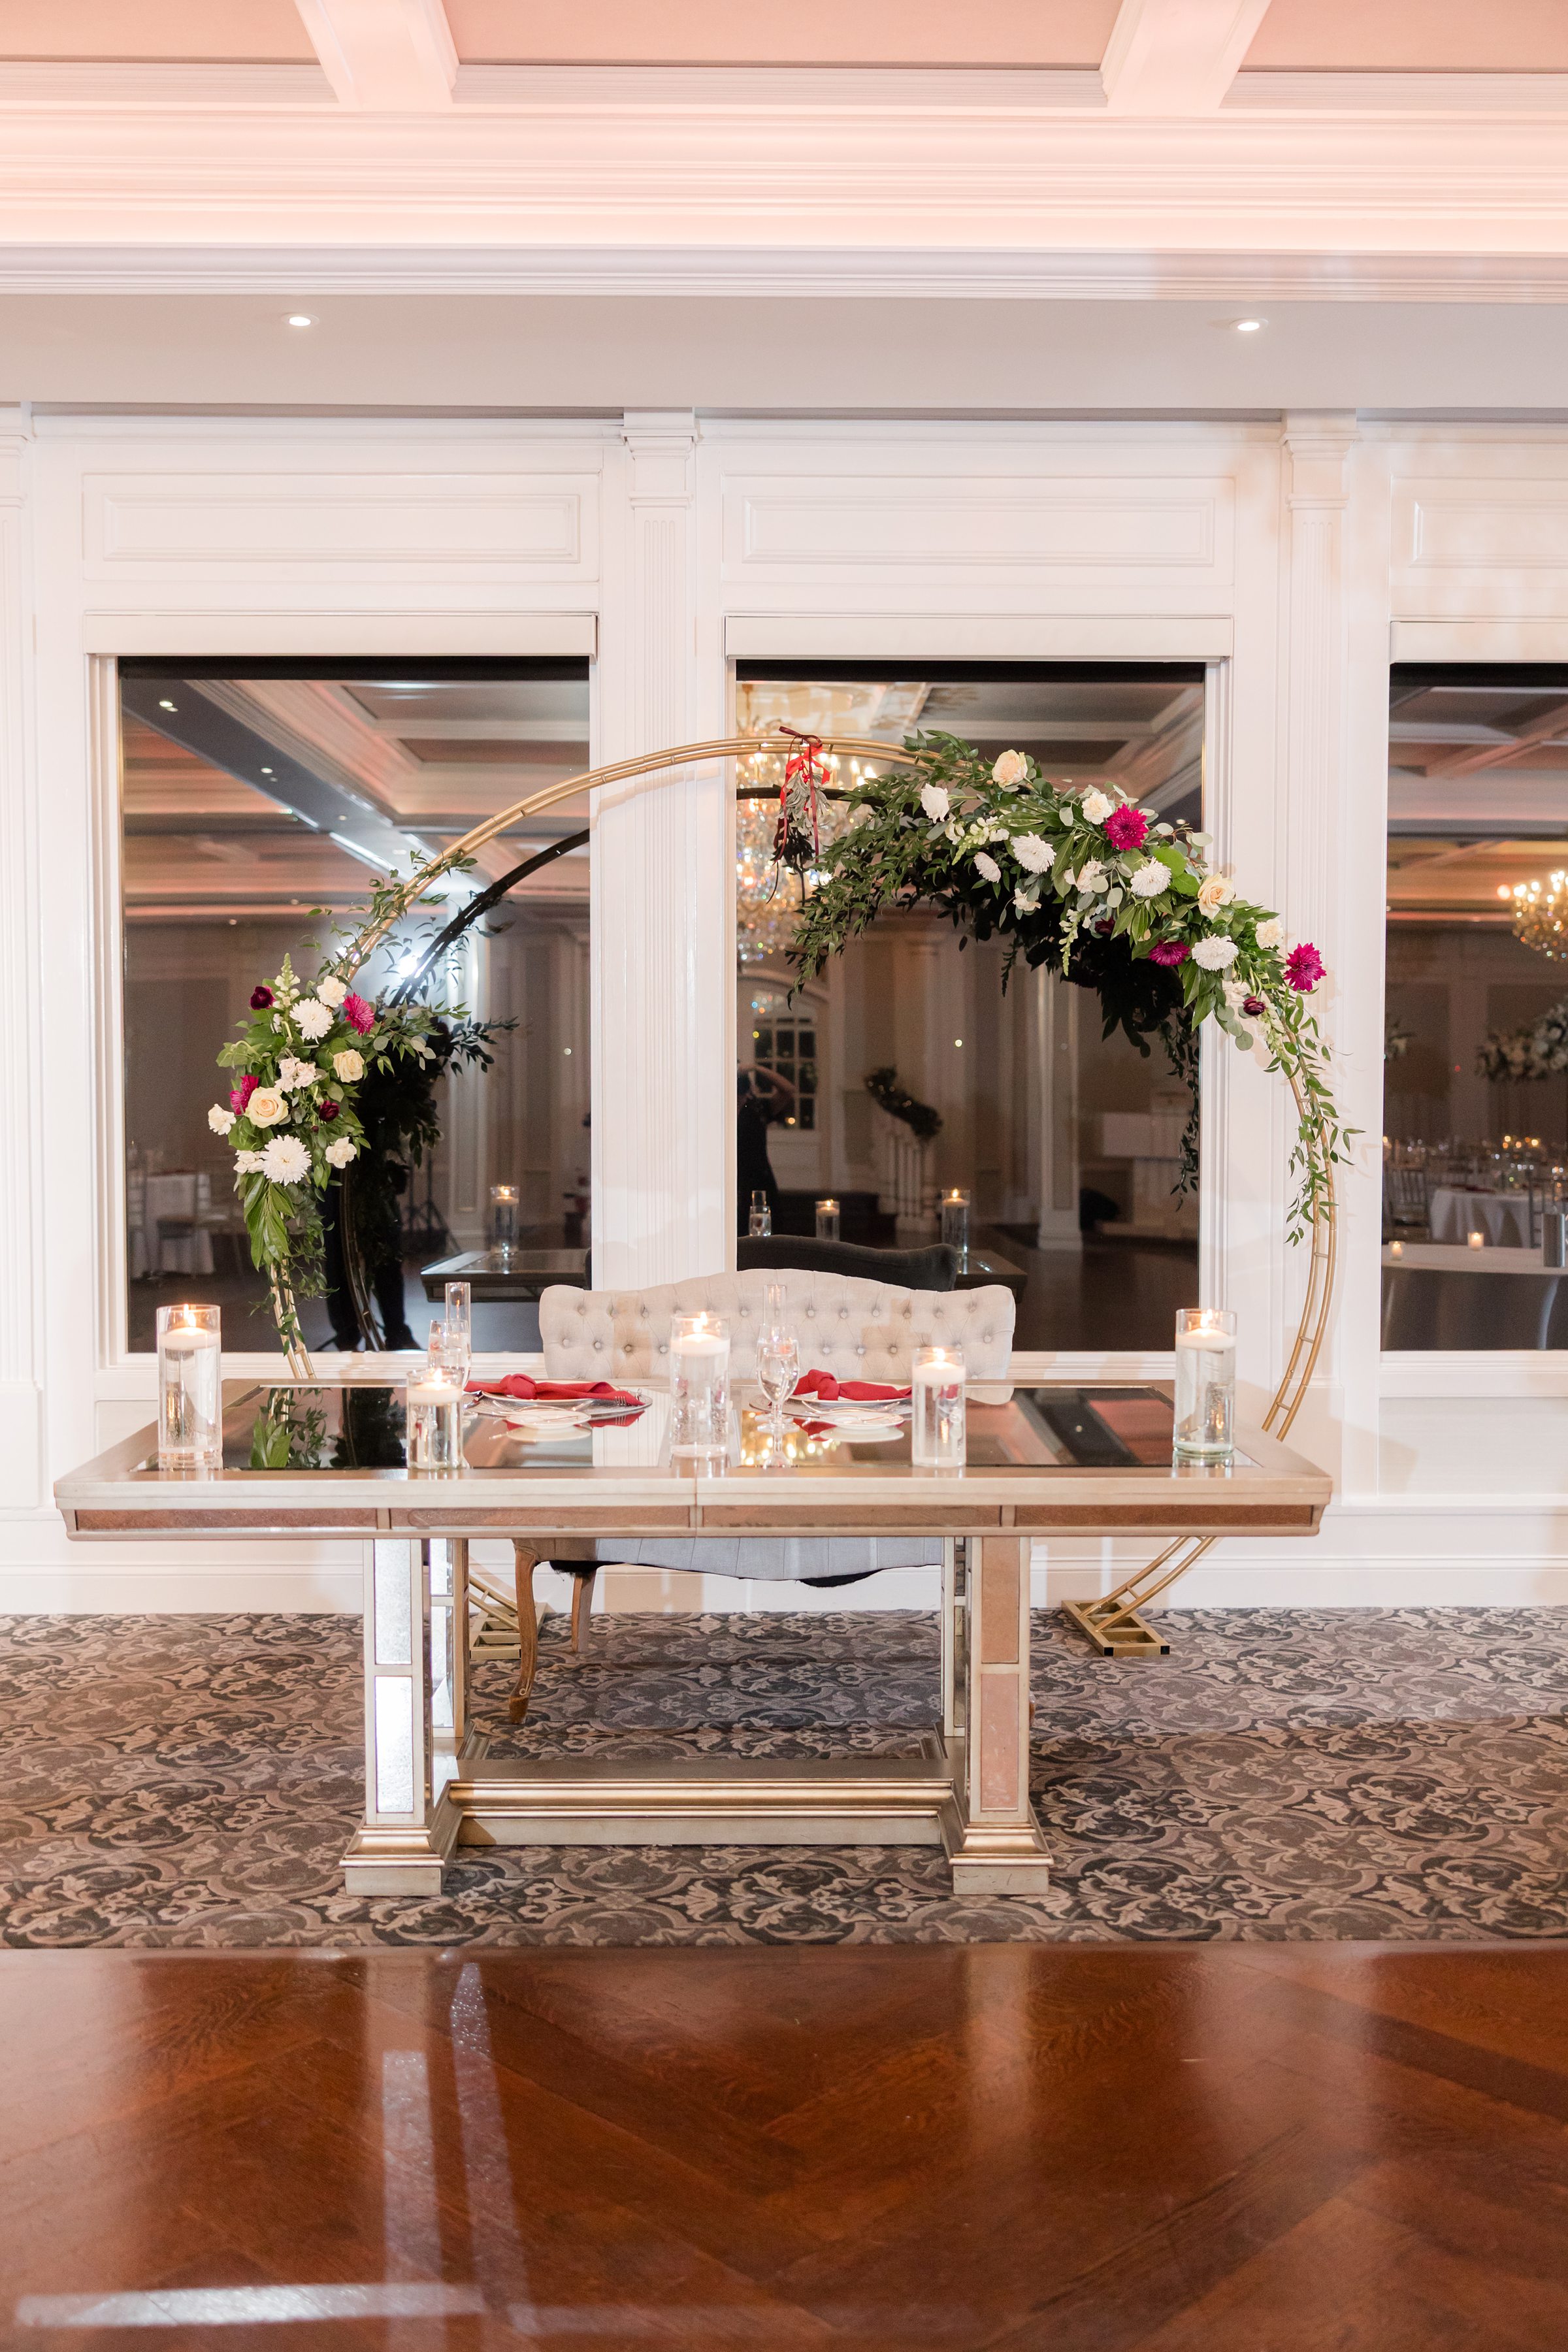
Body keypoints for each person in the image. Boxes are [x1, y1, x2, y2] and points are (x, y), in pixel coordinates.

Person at [736, 1062, 795, 1234]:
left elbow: (788, 1089)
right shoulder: (717, 1110)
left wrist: (756, 1068)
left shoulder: (757, 1109)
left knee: (765, 1230)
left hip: (758, 1177)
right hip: (731, 1178)